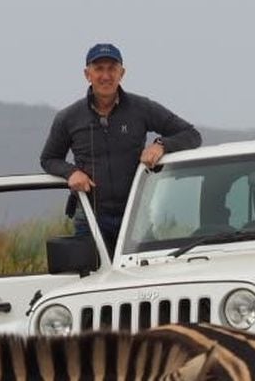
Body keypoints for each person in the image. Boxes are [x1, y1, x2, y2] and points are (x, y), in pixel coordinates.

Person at [40, 43, 202, 254]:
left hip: (136, 217)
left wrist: (161, 145)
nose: (106, 76)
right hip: (90, 216)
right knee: (91, 282)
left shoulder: (141, 108)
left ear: (121, 73)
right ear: (87, 74)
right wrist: (71, 173)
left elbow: (191, 135)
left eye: (112, 69)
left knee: (140, 281)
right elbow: (49, 159)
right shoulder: (68, 117)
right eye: (99, 69)